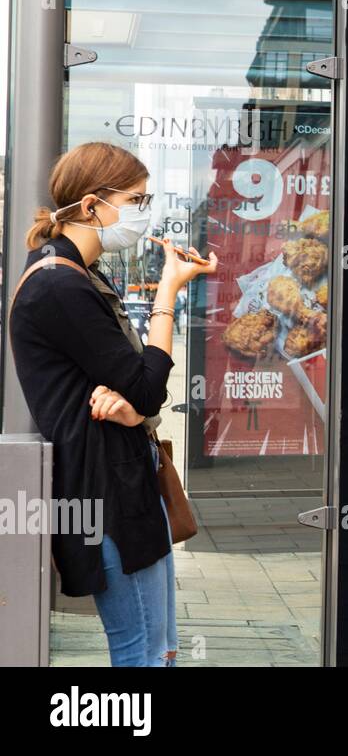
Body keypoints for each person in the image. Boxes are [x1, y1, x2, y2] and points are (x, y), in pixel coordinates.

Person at [8, 142, 216, 666]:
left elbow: (133, 388)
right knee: (142, 649)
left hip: (122, 476)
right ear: (92, 205)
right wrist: (168, 292)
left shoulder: (76, 274)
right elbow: (146, 385)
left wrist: (134, 406)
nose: (143, 214)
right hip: (106, 486)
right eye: (136, 200)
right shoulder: (60, 285)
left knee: (160, 645)